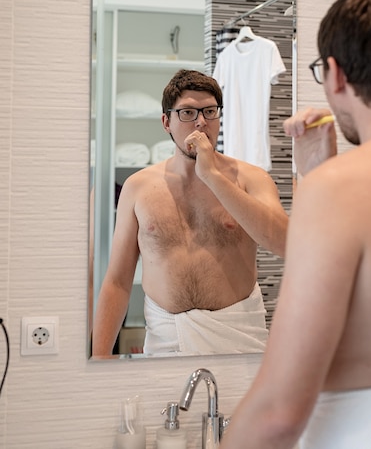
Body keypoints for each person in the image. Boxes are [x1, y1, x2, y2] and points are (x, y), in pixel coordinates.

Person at [220, 0, 371, 449]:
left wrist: (324, 185)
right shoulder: (337, 185)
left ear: (336, 74)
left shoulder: (341, 190)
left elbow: (278, 413)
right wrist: (317, 173)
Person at [92, 69, 288, 357]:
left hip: (239, 338)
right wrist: (99, 358)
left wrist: (213, 177)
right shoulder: (138, 187)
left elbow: (283, 242)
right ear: (166, 122)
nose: (200, 122)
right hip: (165, 340)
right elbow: (118, 281)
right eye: (187, 113)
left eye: (210, 111)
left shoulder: (251, 179)